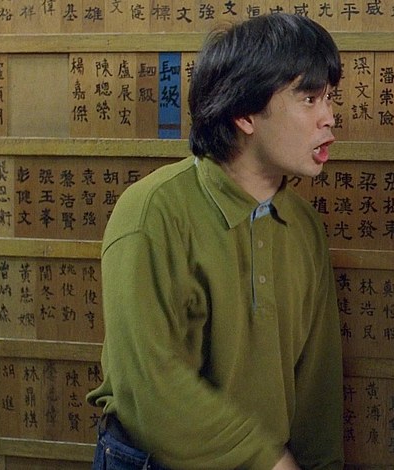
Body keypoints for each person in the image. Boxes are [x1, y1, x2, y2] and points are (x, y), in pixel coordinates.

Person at [86, 13, 344, 470]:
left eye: (329, 98)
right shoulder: (153, 211)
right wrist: (267, 460)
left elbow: (317, 382)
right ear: (244, 113)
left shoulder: (304, 225)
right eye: (309, 99)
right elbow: (149, 386)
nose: (329, 117)